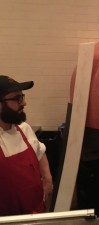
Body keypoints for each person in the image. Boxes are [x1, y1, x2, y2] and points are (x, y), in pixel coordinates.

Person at [0, 75, 53, 216]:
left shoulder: (24, 128)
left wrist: (47, 180)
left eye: (22, 97)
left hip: (36, 214)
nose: (24, 103)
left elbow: (40, 151)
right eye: (17, 98)